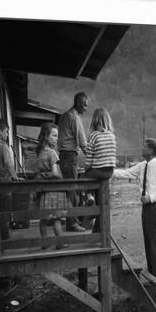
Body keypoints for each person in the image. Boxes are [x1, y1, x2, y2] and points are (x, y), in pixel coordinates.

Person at [113, 138, 156, 283]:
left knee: (154, 241)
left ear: (151, 150)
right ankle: (152, 274)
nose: (142, 148)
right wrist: (109, 171)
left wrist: (151, 197)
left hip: (154, 206)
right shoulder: (142, 165)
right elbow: (127, 173)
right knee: (148, 240)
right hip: (146, 207)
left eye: (145, 147)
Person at [57, 92, 89, 232]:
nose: (86, 108)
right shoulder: (74, 117)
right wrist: (93, 157)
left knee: (69, 189)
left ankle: (72, 219)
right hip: (70, 156)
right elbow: (82, 142)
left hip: (63, 155)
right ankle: (72, 223)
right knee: (72, 189)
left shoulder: (64, 115)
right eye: (85, 105)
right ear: (79, 103)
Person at [34, 123, 69, 250]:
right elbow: (55, 173)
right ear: (45, 137)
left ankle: (45, 243)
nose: (56, 138)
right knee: (56, 218)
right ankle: (60, 242)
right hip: (55, 190)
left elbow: (37, 173)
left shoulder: (39, 152)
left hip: (43, 191)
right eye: (54, 135)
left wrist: (43, 175)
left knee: (43, 218)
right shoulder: (52, 153)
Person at [83, 107, 117, 232]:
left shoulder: (93, 135)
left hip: (97, 171)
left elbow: (89, 157)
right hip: (109, 172)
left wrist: (86, 168)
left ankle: (89, 196)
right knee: (102, 201)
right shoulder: (112, 136)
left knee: (83, 178)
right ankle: (97, 230)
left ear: (94, 121)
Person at [0, 119, 19, 240]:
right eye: (6, 132)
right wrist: (15, 177)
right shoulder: (3, 146)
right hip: (5, 183)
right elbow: (9, 164)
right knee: (6, 211)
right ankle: (5, 237)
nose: (7, 135)